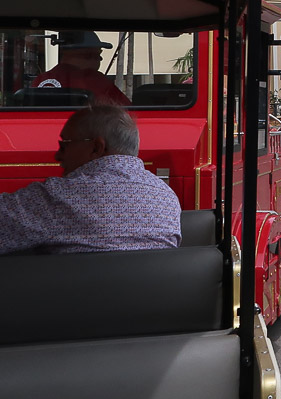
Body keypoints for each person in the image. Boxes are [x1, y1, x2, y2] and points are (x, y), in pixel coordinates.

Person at [0, 105, 181, 254]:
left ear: (97, 147)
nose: (57, 155)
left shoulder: (60, 196)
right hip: (154, 298)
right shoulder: (166, 196)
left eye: (65, 145)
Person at [33, 31, 130, 106]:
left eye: (99, 56)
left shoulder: (41, 79)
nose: (96, 61)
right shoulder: (95, 80)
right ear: (68, 54)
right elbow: (128, 111)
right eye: (89, 55)